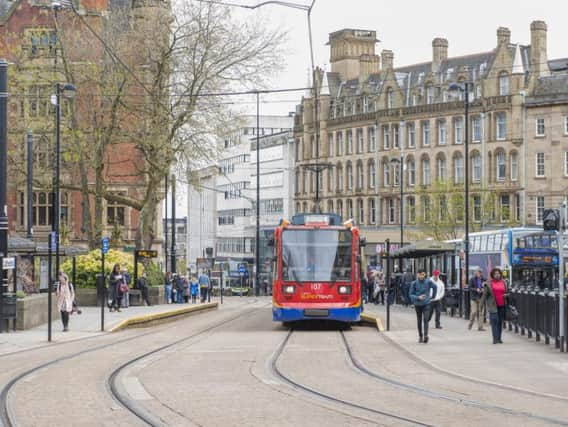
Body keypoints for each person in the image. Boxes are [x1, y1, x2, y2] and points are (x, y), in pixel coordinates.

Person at [409, 269, 437, 344]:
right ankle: (420, 336)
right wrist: (418, 297)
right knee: (419, 320)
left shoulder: (428, 281)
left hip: (426, 303)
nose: (422, 276)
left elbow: (435, 287)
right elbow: (410, 294)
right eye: (420, 274)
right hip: (417, 305)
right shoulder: (414, 283)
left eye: (423, 274)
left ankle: (426, 336)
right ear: (417, 274)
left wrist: (433, 297)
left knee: (426, 319)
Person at [481, 267, 508, 344]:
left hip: (502, 305)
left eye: (498, 273)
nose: (497, 275)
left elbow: (507, 292)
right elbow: (484, 295)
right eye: (495, 274)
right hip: (493, 305)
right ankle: (495, 339)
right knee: (494, 321)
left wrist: (506, 295)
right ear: (492, 275)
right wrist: (481, 306)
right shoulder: (489, 283)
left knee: (500, 322)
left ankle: (499, 338)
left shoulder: (504, 282)